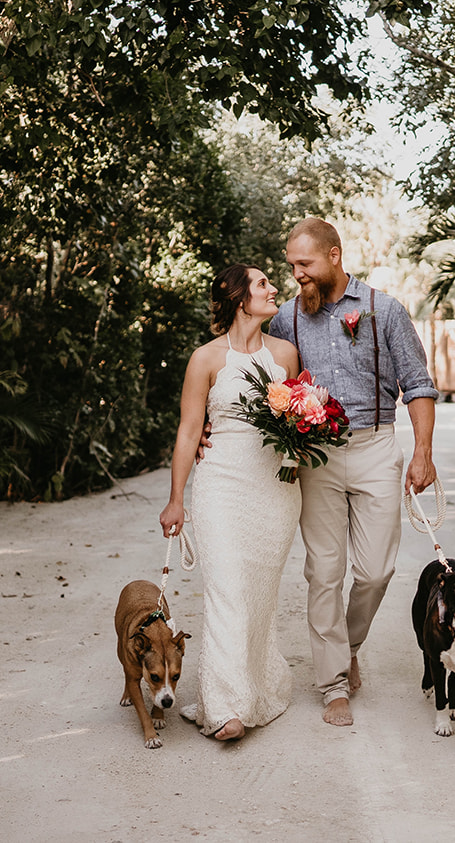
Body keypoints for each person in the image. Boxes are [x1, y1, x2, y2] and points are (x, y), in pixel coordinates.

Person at [269, 217, 439, 727]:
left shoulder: (382, 310)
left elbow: (418, 383)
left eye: (305, 265)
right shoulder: (284, 320)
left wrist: (422, 452)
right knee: (324, 571)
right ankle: (333, 682)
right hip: (314, 455)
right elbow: (259, 382)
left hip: (375, 445)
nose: (297, 275)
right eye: (291, 266)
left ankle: (349, 645)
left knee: (376, 570)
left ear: (334, 256)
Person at [159, 263, 302, 741]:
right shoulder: (205, 359)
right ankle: (226, 708)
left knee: (258, 596)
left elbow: (300, 421)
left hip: (275, 492)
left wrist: (303, 447)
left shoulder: (286, 354)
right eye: (263, 283)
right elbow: (187, 431)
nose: (273, 287)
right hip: (221, 487)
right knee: (226, 592)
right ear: (241, 298)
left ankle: (255, 686)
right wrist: (176, 499)